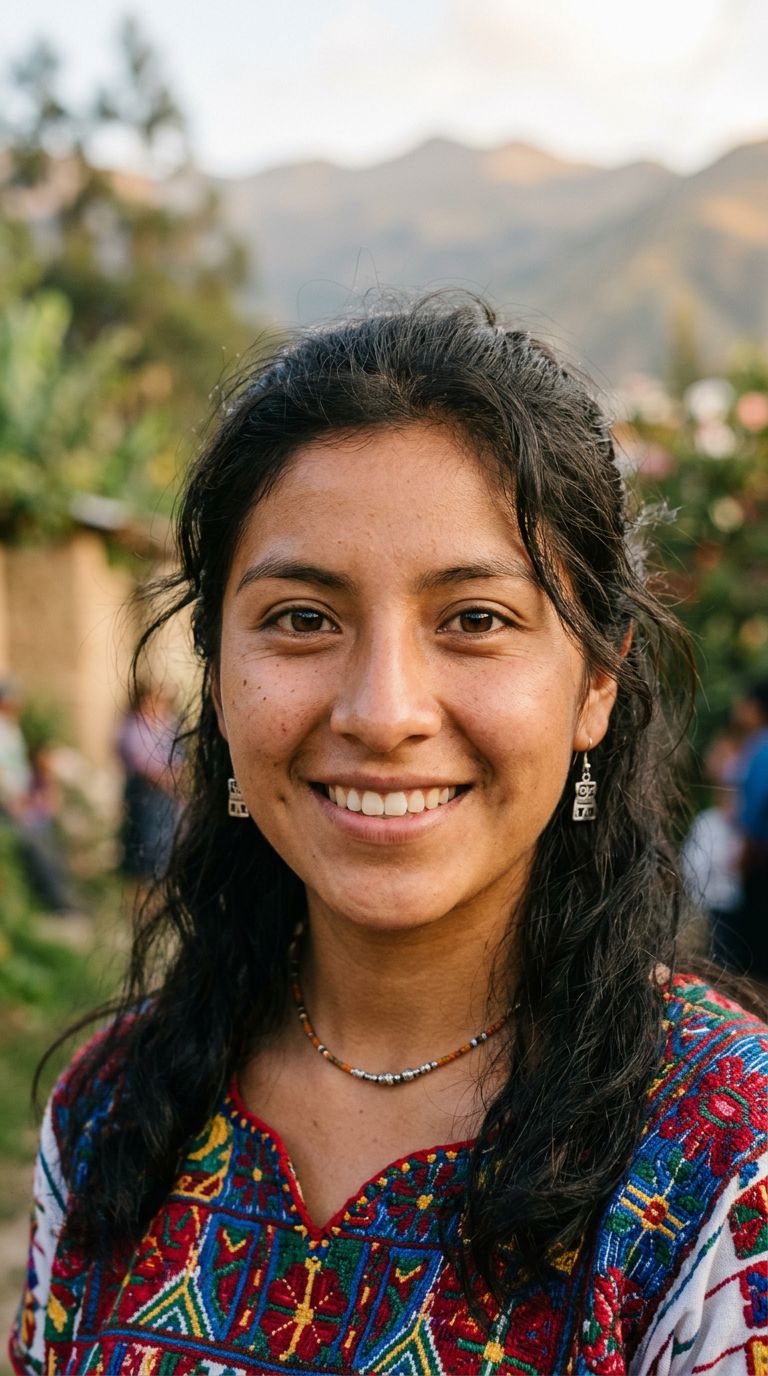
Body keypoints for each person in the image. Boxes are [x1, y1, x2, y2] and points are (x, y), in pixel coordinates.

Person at [10, 298, 768, 1376]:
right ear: (219, 674)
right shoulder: (107, 1118)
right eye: (303, 618)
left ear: (597, 680)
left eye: (475, 618)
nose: (382, 709)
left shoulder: (728, 1163)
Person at [116, 682, 182, 883]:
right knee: (145, 842)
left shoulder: (166, 724)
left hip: (166, 792)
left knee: (165, 840)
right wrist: (167, 777)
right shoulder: (133, 726)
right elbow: (142, 761)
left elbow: (178, 753)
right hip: (145, 792)